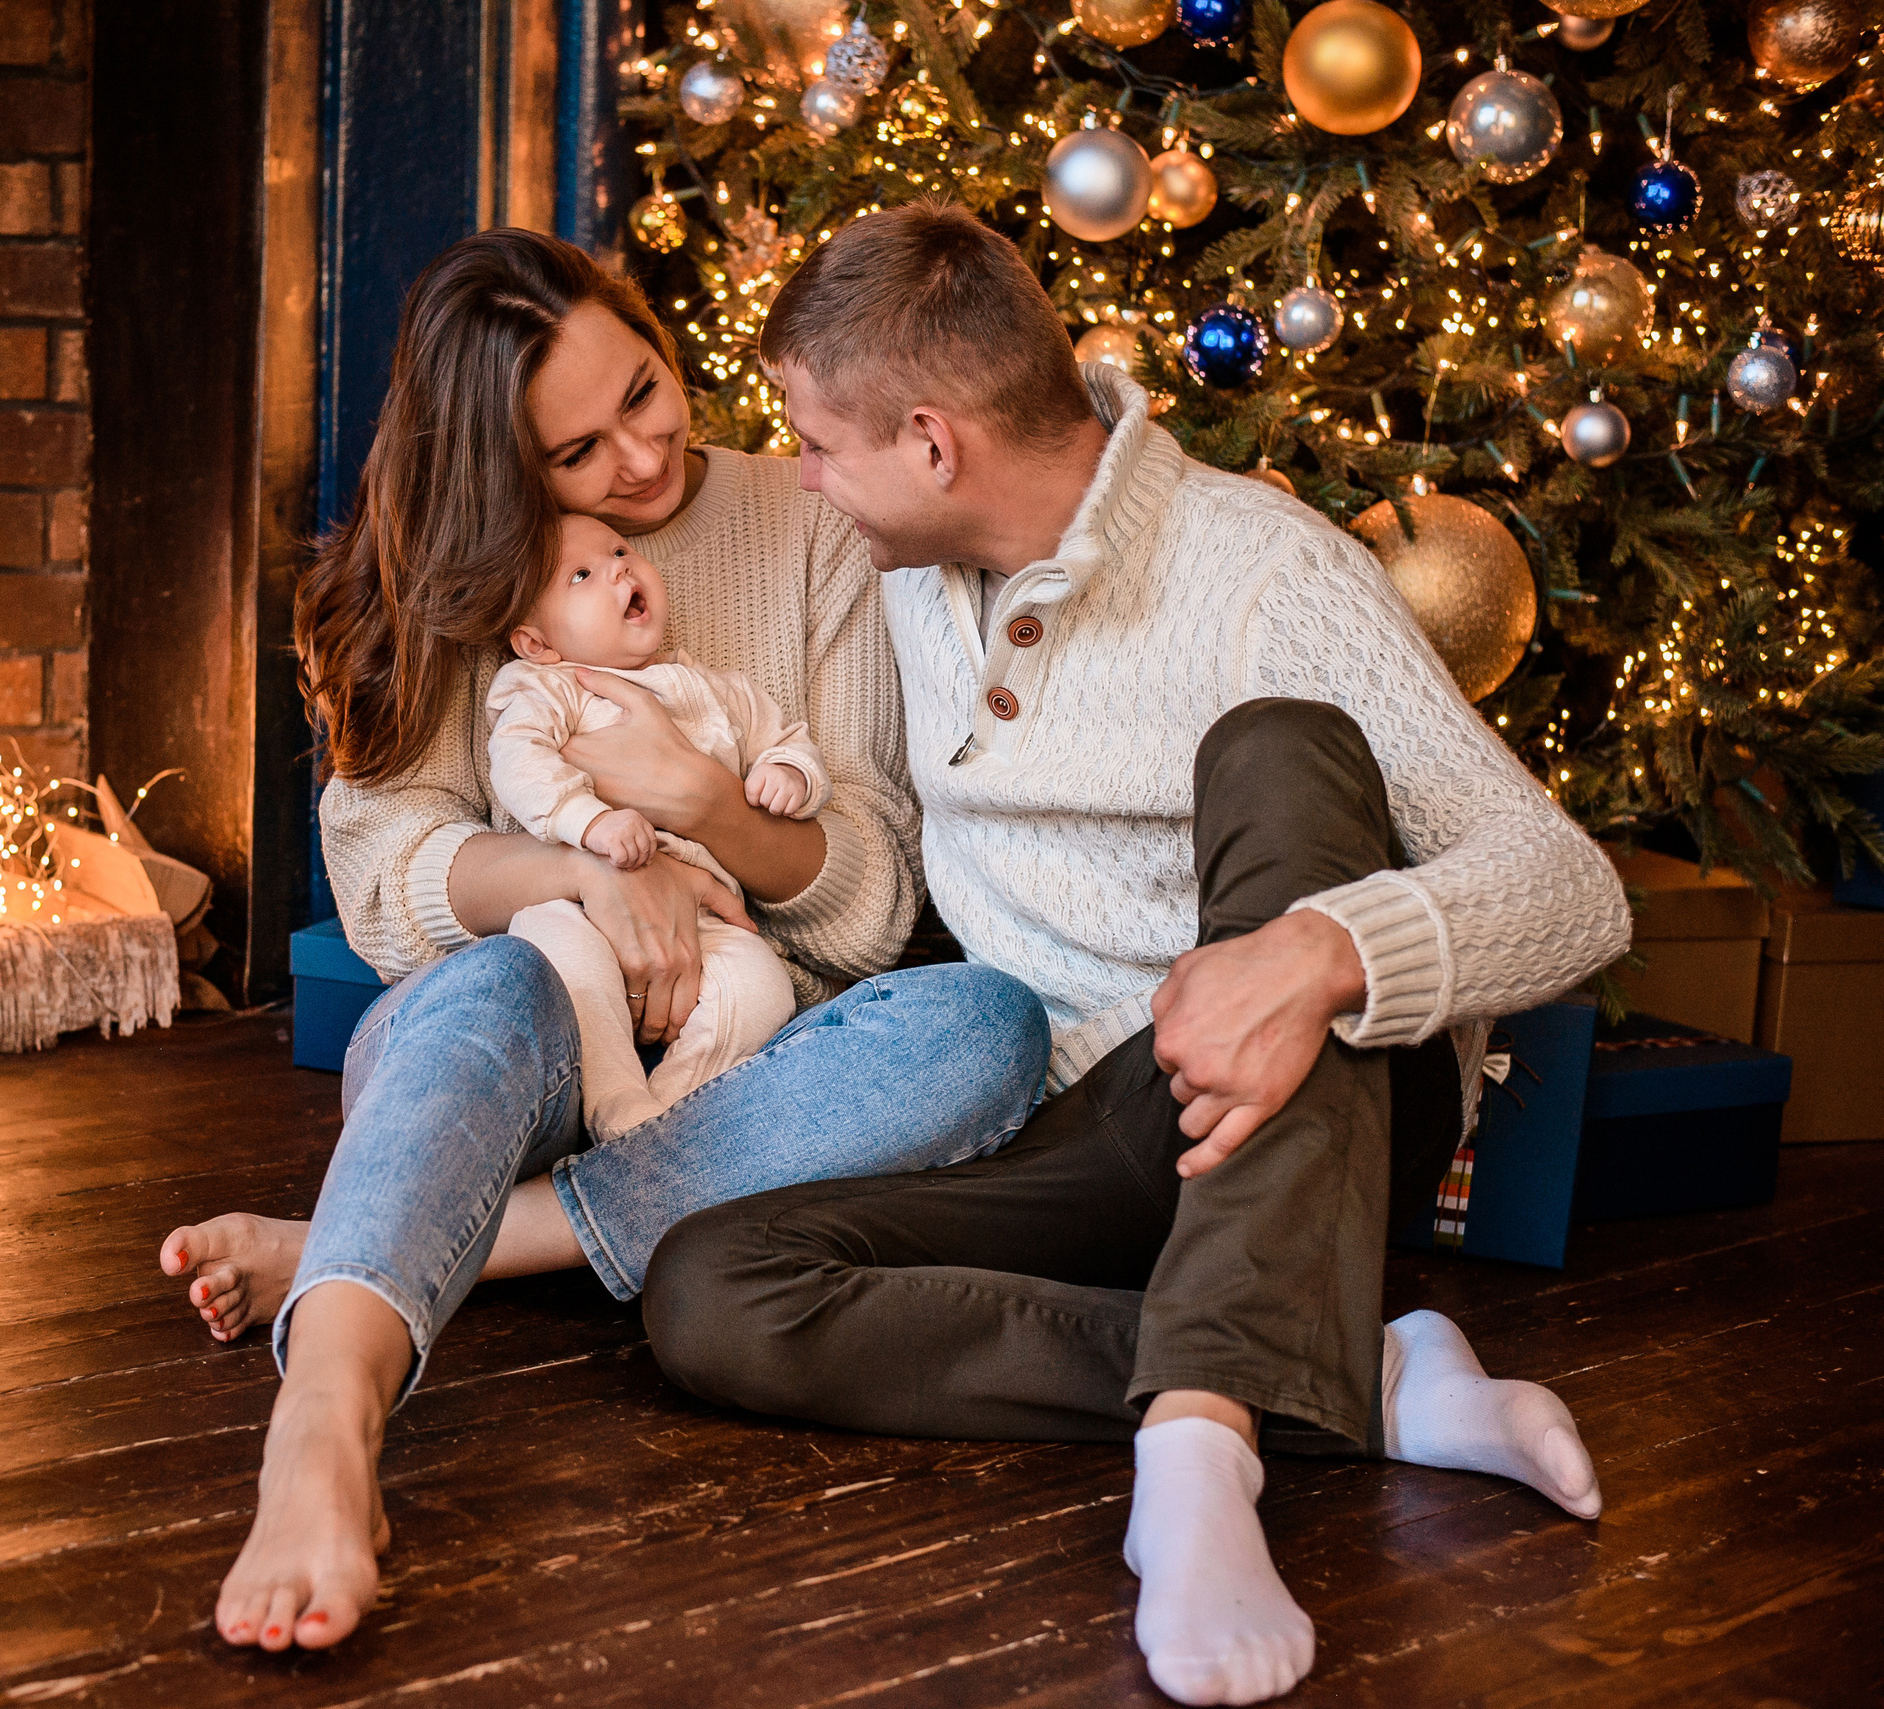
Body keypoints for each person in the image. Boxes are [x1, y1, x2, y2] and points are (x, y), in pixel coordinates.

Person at [641, 202, 1633, 1707]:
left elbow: (1575, 893)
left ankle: (1197, 1455)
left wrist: (1310, 954)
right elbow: (873, 876)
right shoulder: (909, 584)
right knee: (716, 1291)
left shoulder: (1266, 573)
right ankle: (1361, 1376)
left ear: (931, 443)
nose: (805, 476)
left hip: (1319, 1099)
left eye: (820, 442)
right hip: (1088, 1116)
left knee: (1285, 752)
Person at [157, 228, 1050, 1654]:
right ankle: (324, 1414)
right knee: (499, 981)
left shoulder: (816, 521)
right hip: (510, 1048)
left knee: (987, 1025)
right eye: (578, 454)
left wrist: (705, 806)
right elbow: (385, 876)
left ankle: (386, 1239)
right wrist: (586, 871)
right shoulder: (495, 573)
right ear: (508, 472)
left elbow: (875, 897)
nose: (639, 463)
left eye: (644, 388)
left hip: (748, 1063)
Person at [492, 512, 822, 1139]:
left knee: (763, 986)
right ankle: (614, 1098)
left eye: (620, 551)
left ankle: (666, 1116)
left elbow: (786, 739)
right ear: (538, 643)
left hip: (695, 920)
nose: (619, 566)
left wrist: (790, 772)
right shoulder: (552, 687)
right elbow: (519, 760)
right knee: (550, 952)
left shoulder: (716, 689)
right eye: (583, 574)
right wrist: (587, 822)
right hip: (577, 900)